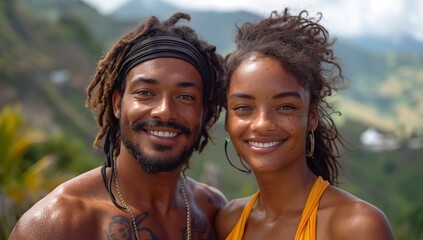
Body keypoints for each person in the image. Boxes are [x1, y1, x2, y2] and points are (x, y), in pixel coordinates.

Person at [9, 12, 227, 240]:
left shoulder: (213, 211)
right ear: (117, 104)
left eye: (185, 96)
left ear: (204, 112)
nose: (164, 110)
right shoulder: (57, 223)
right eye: (145, 92)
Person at [216, 8, 395, 240]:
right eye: (243, 108)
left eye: (285, 107)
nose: (262, 124)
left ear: (311, 117)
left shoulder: (356, 226)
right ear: (228, 121)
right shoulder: (229, 221)